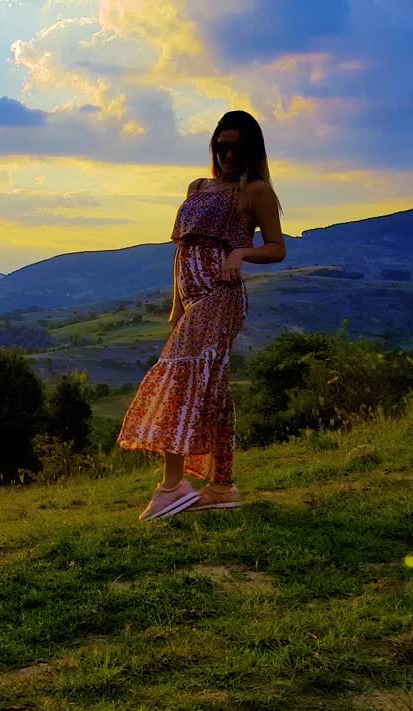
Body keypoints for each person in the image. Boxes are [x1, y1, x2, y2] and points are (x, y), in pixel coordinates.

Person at [116, 110, 286, 521]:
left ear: (250, 149)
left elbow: (277, 248)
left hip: (222, 298)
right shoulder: (198, 187)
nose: (226, 154)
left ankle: (172, 487)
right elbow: (183, 249)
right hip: (192, 300)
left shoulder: (255, 191)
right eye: (219, 146)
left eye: (235, 147)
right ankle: (222, 486)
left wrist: (241, 252)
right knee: (211, 392)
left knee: (180, 380)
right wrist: (177, 305)